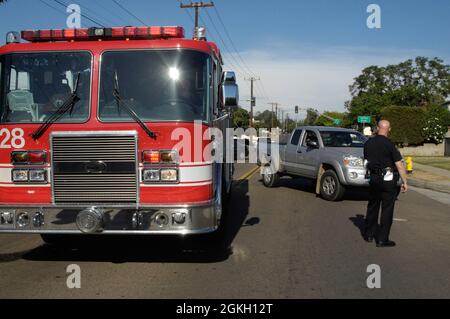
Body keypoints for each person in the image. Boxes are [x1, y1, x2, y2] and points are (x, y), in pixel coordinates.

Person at [363, 120, 408, 247]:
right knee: (387, 208)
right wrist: (404, 181)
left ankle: (369, 235)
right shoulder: (390, 145)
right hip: (388, 179)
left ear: (377, 128)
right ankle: (382, 239)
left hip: (374, 178)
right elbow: (399, 165)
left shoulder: (368, 143)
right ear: (389, 129)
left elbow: (366, 161)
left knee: (373, 206)